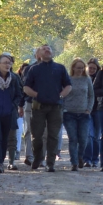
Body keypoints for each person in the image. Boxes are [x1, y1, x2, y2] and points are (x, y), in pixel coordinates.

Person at [23, 44, 72, 172]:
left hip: (56, 107)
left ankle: (51, 163)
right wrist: (36, 95)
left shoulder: (60, 68)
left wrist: (61, 95)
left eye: (49, 48)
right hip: (38, 107)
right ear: (39, 54)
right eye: (44, 49)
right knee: (37, 136)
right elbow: (26, 87)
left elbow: (68, 86)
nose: (47, 50)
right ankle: (38, 158)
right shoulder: (33, 69)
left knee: (53, 136)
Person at [62, 58, 94, 171]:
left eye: (82, 68)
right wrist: (64, 108)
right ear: (73, 68)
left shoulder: (87, 79)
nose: (80, 70)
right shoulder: (68, 79)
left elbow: (91, 96)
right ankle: (74, 162)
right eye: (78, 67)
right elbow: (63, 95)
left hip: (84, 114)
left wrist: (88, 109)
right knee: (73, 139)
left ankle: (80, 156)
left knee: (84, 138)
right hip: (69, 114)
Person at [84, 58, 102, 168]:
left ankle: (95, 159)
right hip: (87, 110)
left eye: (94, 68)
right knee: (88, 135)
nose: (92, 70)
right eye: (90, 68)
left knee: (96, 137)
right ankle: (87, 159)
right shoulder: (83, 78)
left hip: (99, 110)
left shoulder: (100, 79)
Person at [17, 61, 34, 166]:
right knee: (27, 130)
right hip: (28, 103)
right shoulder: (29, 70)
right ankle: (29, 156)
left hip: (45, 105)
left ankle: (39, 157)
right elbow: (24, 89)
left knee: (41, 133)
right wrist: (20, 105)